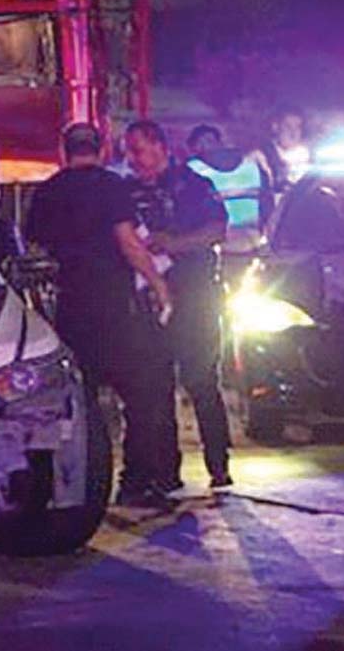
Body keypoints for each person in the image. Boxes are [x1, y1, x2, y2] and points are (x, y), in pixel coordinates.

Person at [26, 124, 176, 507]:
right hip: (114, 307)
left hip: (70, 308)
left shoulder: (48, 192)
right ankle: (136, 481)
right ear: (103, 147)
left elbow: (35, 251)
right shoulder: (113, 187)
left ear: (64, 150)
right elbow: (128, 242)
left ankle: (81, 486)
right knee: (141, 397)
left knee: (79, 401)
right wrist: (158, 285)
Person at [125, 120, 233, 491]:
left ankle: (218, 466)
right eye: (129, 152)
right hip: (151, 300)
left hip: (196, 294)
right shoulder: (127, 192)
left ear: (159, 147)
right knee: (155, 386)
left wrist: (173, 243)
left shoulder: (193, 186)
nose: (133, 159)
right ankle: (165, 473)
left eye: (137, 150)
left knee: (202, 380)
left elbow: (217, 230)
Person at [185, 124, 273, 251]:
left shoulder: (191, 169)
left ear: (195, 147)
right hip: (256, 241)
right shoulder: (252, 164)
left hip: (215, 244)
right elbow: (268, 201)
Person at [263, 106, 310, 191]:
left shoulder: (309, 156)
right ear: (275, 127)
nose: (293, 132)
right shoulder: (264, 156)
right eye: (288, 126)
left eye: (298, 127)